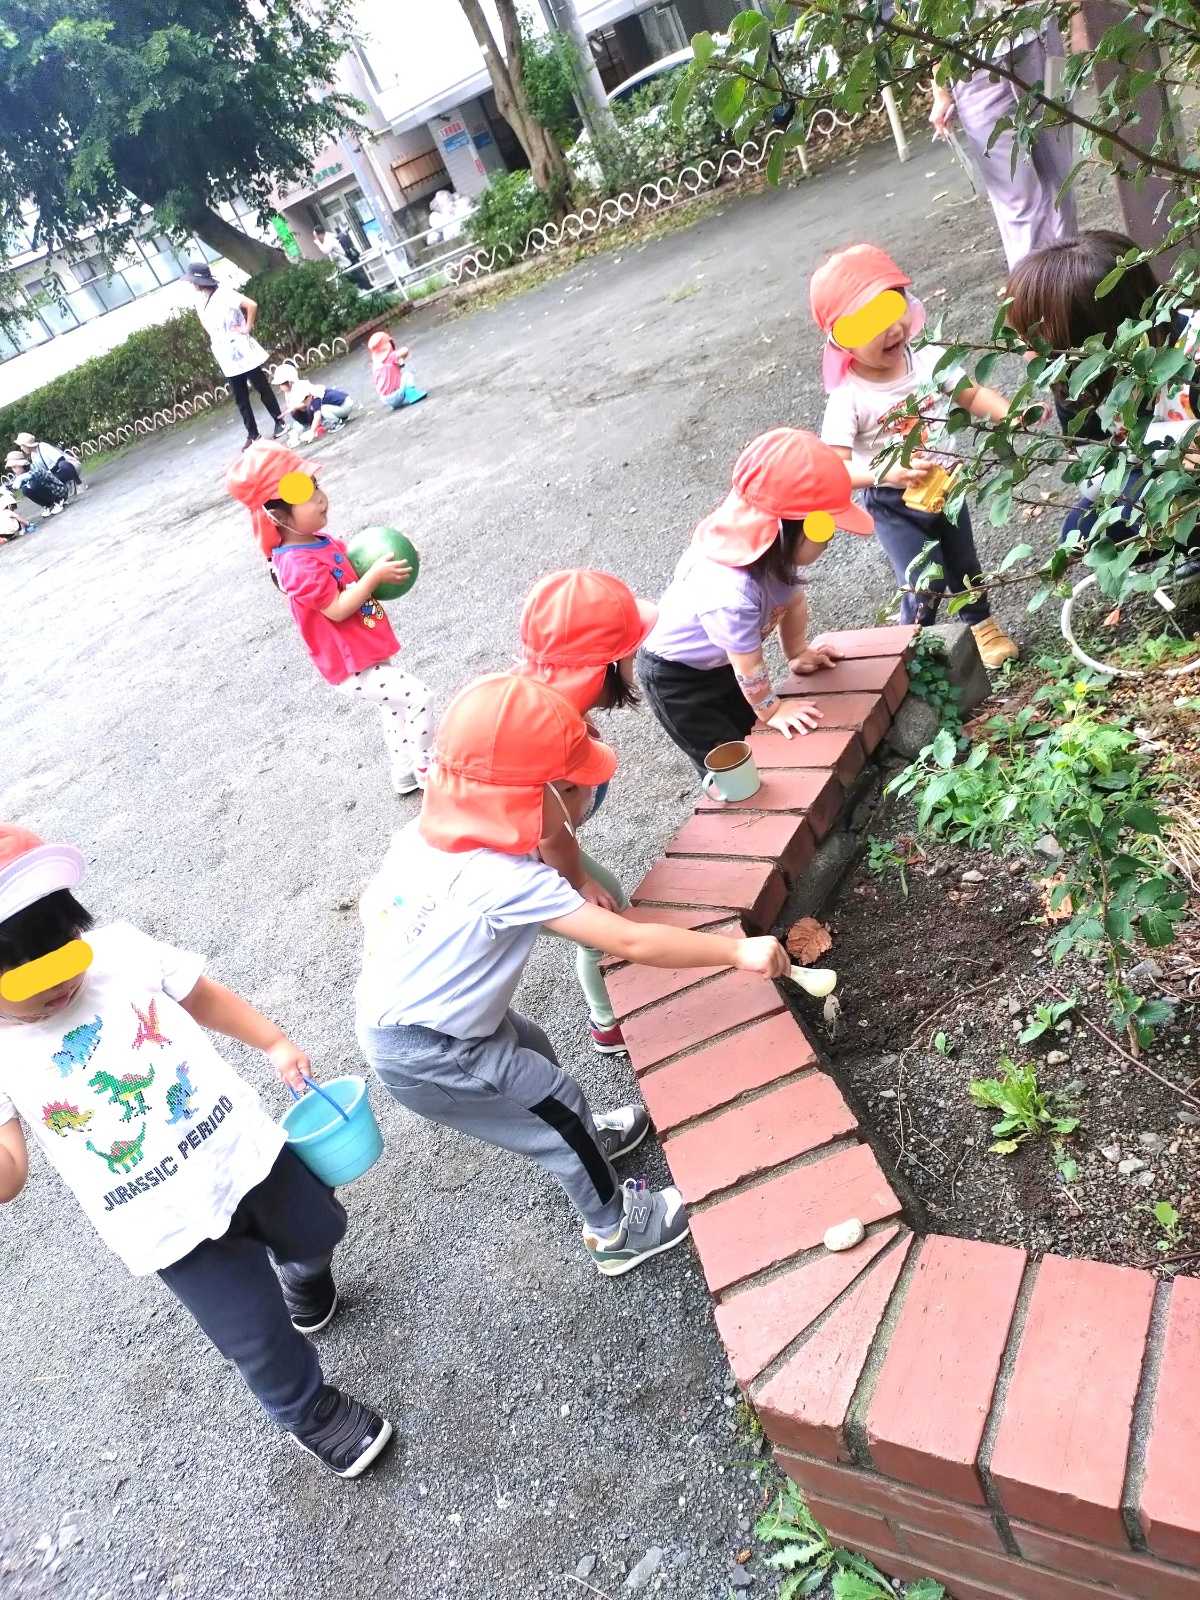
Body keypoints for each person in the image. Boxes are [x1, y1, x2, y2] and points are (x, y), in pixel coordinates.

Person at [354, 673, 790, 1277]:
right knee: (554, 1108)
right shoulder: (503, 881)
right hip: (431, 1051)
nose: (590, 792)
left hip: (434, 1018)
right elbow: (631, 941)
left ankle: (582, 1136)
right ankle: (615, 1230)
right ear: (542, 797)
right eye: (577, 784)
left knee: (534, 1055)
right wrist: (737, 953)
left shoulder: (431, 840)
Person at [0, 823, 392, 1479]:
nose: (62, 991)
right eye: (38, 995)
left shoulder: (119, 952)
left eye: (68, 961)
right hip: (167, 1223)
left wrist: (273, 1041)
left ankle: (304, 1271)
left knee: (320, 1227)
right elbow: (10, 1173)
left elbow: (200, 995)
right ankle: (308, 1410)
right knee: (255, 1333)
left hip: (246, 1152)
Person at [810, 243, 1020, 668]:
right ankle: (913, 645)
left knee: (963, 562)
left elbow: (971, 394)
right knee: (923, 578)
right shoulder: (849, 397)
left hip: (946, 485)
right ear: (843, 339)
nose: (891, 330)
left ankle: (982, 626)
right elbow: (836, 468)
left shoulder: (927, 359)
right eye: (871, 324)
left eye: (894, 310)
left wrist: (1012, 414)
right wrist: (888, 471)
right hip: (893, 502)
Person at [637, 428, 871, 777]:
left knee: (751, 731)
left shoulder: (772, 555)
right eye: (825, 528)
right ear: (783, 529)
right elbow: (748, 666)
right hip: (678, 679)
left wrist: (797, 652)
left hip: (720, 662)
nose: (830, 539)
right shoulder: (731, 593)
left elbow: (792, 601)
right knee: (728, 759)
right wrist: (771, 710)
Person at [226, 442, 433, 795]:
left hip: (366, 646)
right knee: (419, 697)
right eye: (305, 495)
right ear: (278, 516)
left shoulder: (318, 541)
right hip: (352, 665)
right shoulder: (296, 565)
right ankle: (430, 771)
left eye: (316, 487)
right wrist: (374, 577)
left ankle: (404, 772)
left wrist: (394, 553)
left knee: (395, 708)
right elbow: (336, 608)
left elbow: (354, 565)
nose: (321, 499)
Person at [517, 569, 658, 1056]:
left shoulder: (545, 699)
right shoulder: (551, 736)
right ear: (605, 666)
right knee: (604, 914)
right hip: (519, 861)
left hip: (526, 844)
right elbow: (549, 834)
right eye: (631, 653)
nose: (636, 660)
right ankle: (608, 1022)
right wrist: (576, 882)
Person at [1007, 230, 1200, 556]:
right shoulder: (1075, 381)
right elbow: (1090, 466)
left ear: (1087, 338)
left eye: (1033, 341)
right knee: (1080, 532)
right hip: (1146, 476)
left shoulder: (1191, 356)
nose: (1023, 352)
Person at [929, 11, 1077, 269]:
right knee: (1018, 205)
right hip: (972, 65)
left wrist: (1079, 23)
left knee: (1061, 187)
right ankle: (1035, 292)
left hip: (1042, 38)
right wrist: (940, 89)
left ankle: (1072, 287)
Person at [183, 262, 286, 453]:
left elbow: (251, 305)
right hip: (225, 353)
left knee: (261, 386)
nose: (191, 284)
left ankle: (279, 420)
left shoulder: (224, 294)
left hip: (241, 349)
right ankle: (253, 434)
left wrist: (246, 327)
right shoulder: (199, 300)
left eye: (192, 281)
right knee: (240, 397)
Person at [273, 361, 355, 442]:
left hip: (345, 405)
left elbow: (317, 415)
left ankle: (337, 422)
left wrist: (312, 431)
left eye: (281, 384)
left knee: (322, 410)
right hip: (340, 406)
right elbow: (299, 405)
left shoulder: (314, 395)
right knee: (314, 410)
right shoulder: (301, 391)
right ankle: (337, 418)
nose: (280, 387)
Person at [368, 331, 427, 412]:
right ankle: (412, 395)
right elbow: (405, 350)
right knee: (407, 375)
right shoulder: (391, 357)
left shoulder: (375, 365)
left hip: (385, 399)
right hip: (395, 396)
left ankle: (398, 401)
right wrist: (399, 355)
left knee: (396, 381)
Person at [14, 433, 85, 495]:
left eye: (22, 446)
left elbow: (60, 459)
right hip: (56, 474)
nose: (21, 448)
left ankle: (79, 483)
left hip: (71, 467)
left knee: (63, 464)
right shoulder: (33, 455)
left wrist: (50, 473)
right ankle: (65, 489)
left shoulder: (43, 446)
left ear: (27, 445)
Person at [4, 448, 68, 515]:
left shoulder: (34, 467)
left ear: (22, 465)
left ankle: (58, 501)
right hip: (51, 492)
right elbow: (14, 484)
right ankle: (49, 505)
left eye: (15, 467)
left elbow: (35, 474)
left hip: (59, 492)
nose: (13, 470)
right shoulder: (21, 475)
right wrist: (8, 488)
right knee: (25, 490)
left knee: (34, 484)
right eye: (12, 468)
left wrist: (21, 478)